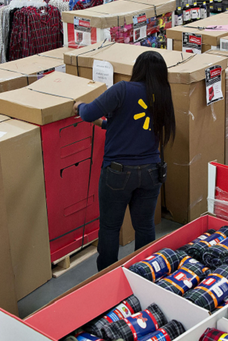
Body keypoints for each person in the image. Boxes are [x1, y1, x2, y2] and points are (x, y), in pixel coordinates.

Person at [73, 51, 176, 271]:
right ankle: (145, 273)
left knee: (110, 228)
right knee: (145, 226)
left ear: (137, 68)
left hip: (118, 173)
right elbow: (137, 126)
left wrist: (80, 106)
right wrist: (105, 124)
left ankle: (107, 279)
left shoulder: (122, 89)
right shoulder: (162, 95)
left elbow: (88, 113)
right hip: (151, 172)